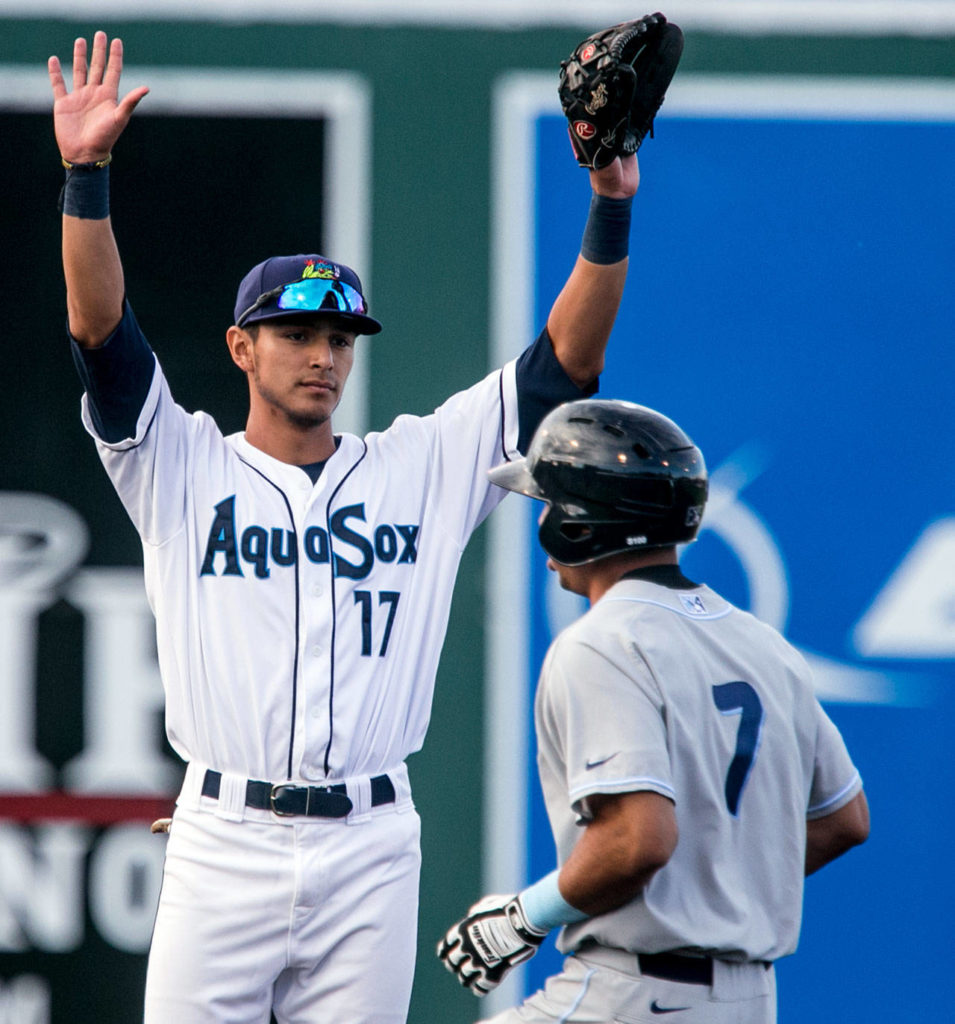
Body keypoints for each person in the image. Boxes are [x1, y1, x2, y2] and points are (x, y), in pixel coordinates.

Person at [48, 28, 643, 1024]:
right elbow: (100, 333)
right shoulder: (179, 462)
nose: (320, 354)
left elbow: (561, 369)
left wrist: (610, 206)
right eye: (294, 333)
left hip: (370, 844)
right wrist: (85, 175)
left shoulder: (421, 466)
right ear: (241, 345)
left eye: (337, 336)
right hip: (223, 836)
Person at [438, 399, 870, 1024]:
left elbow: (637, 839)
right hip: (750, 1002)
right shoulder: (765, 645)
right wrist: (715, 887)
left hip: (637, 993)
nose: (543, 519)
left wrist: (522, 917)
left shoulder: (602, 640)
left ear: (580, 523)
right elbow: (843, 819)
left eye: (550, 503)